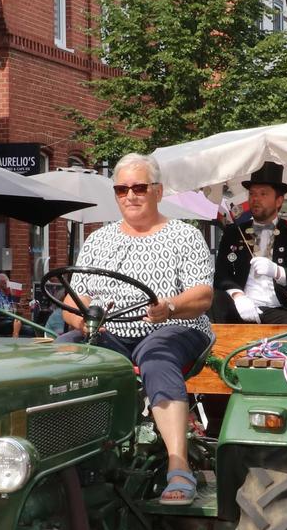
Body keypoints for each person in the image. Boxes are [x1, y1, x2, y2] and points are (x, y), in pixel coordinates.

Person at [62, 153, 214, 504]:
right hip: (109, 332)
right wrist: (80, 319)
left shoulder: (184, 235)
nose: (130, 195)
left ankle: (179, 465)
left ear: (157, 192)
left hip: (177, 326)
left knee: (155, 356)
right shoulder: (99, 240)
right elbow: (75, 298)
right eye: (121, 189)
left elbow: (203, 294)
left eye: (139, 187)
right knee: (64, 353)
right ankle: (71, 458)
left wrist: (170, 305)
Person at [212, 162, 287, 325]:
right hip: (241, 306)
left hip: (281, 310)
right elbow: (220, 276)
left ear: (278, 201)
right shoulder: (234, 232)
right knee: (213, 300)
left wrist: (278, 272)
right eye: (252, 193)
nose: (255, 199)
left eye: (263, 194)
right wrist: (237, 295)